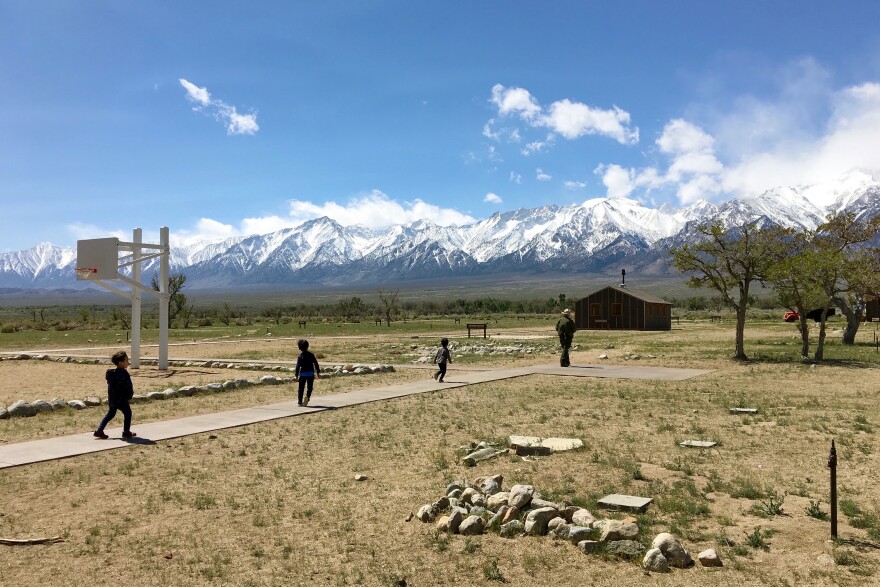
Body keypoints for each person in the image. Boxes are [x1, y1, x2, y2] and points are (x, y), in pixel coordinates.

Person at [93, 350, 136, 439]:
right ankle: (126, 432)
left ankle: (99, 430)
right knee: (128, 413)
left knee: (111, 413)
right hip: (122, 399)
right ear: (120, 363)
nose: (128, 362)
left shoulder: (111, 374)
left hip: (112, 398)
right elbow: (128, 386)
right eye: (126, 360)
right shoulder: (124, 374)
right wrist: (129, 395)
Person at [295, 339, 320, 406]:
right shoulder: (311, 355)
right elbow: (316, 363)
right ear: (307, 346)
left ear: (299, 348)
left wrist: (296, 375)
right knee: (310, 387)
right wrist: (318, 372)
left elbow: (297, 366)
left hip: (302, 374)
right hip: (310, 373)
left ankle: (300, 401)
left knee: (301, 388)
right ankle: (307, 397)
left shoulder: (300, 356)